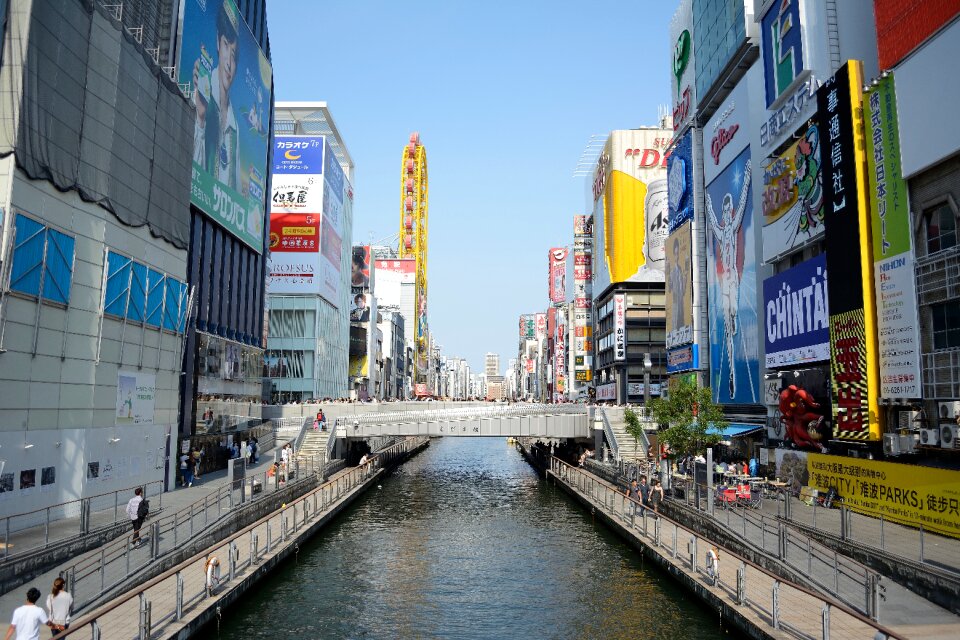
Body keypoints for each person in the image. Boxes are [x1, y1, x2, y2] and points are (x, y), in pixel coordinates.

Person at [706, 158, 752, 399]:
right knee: (726, 326)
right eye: (724, 210)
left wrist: (746, 179)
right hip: (724, 281)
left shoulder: (733, 227)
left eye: (727, 209)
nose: (726, 213)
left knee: (733, 316)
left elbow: (743, 203)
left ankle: (733, 322)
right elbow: (712, 219)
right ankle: (732, 374)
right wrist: (707, 202)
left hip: (733, 277)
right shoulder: (720, 228)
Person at [191, 0, 241, 191]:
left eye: (234, 55)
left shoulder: (235, 126)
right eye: (226, 46)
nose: (229, 62)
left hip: (221, 214)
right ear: (217, 43)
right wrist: (201, 118)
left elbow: (235, 192)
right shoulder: (200, 92)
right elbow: (187, 169)